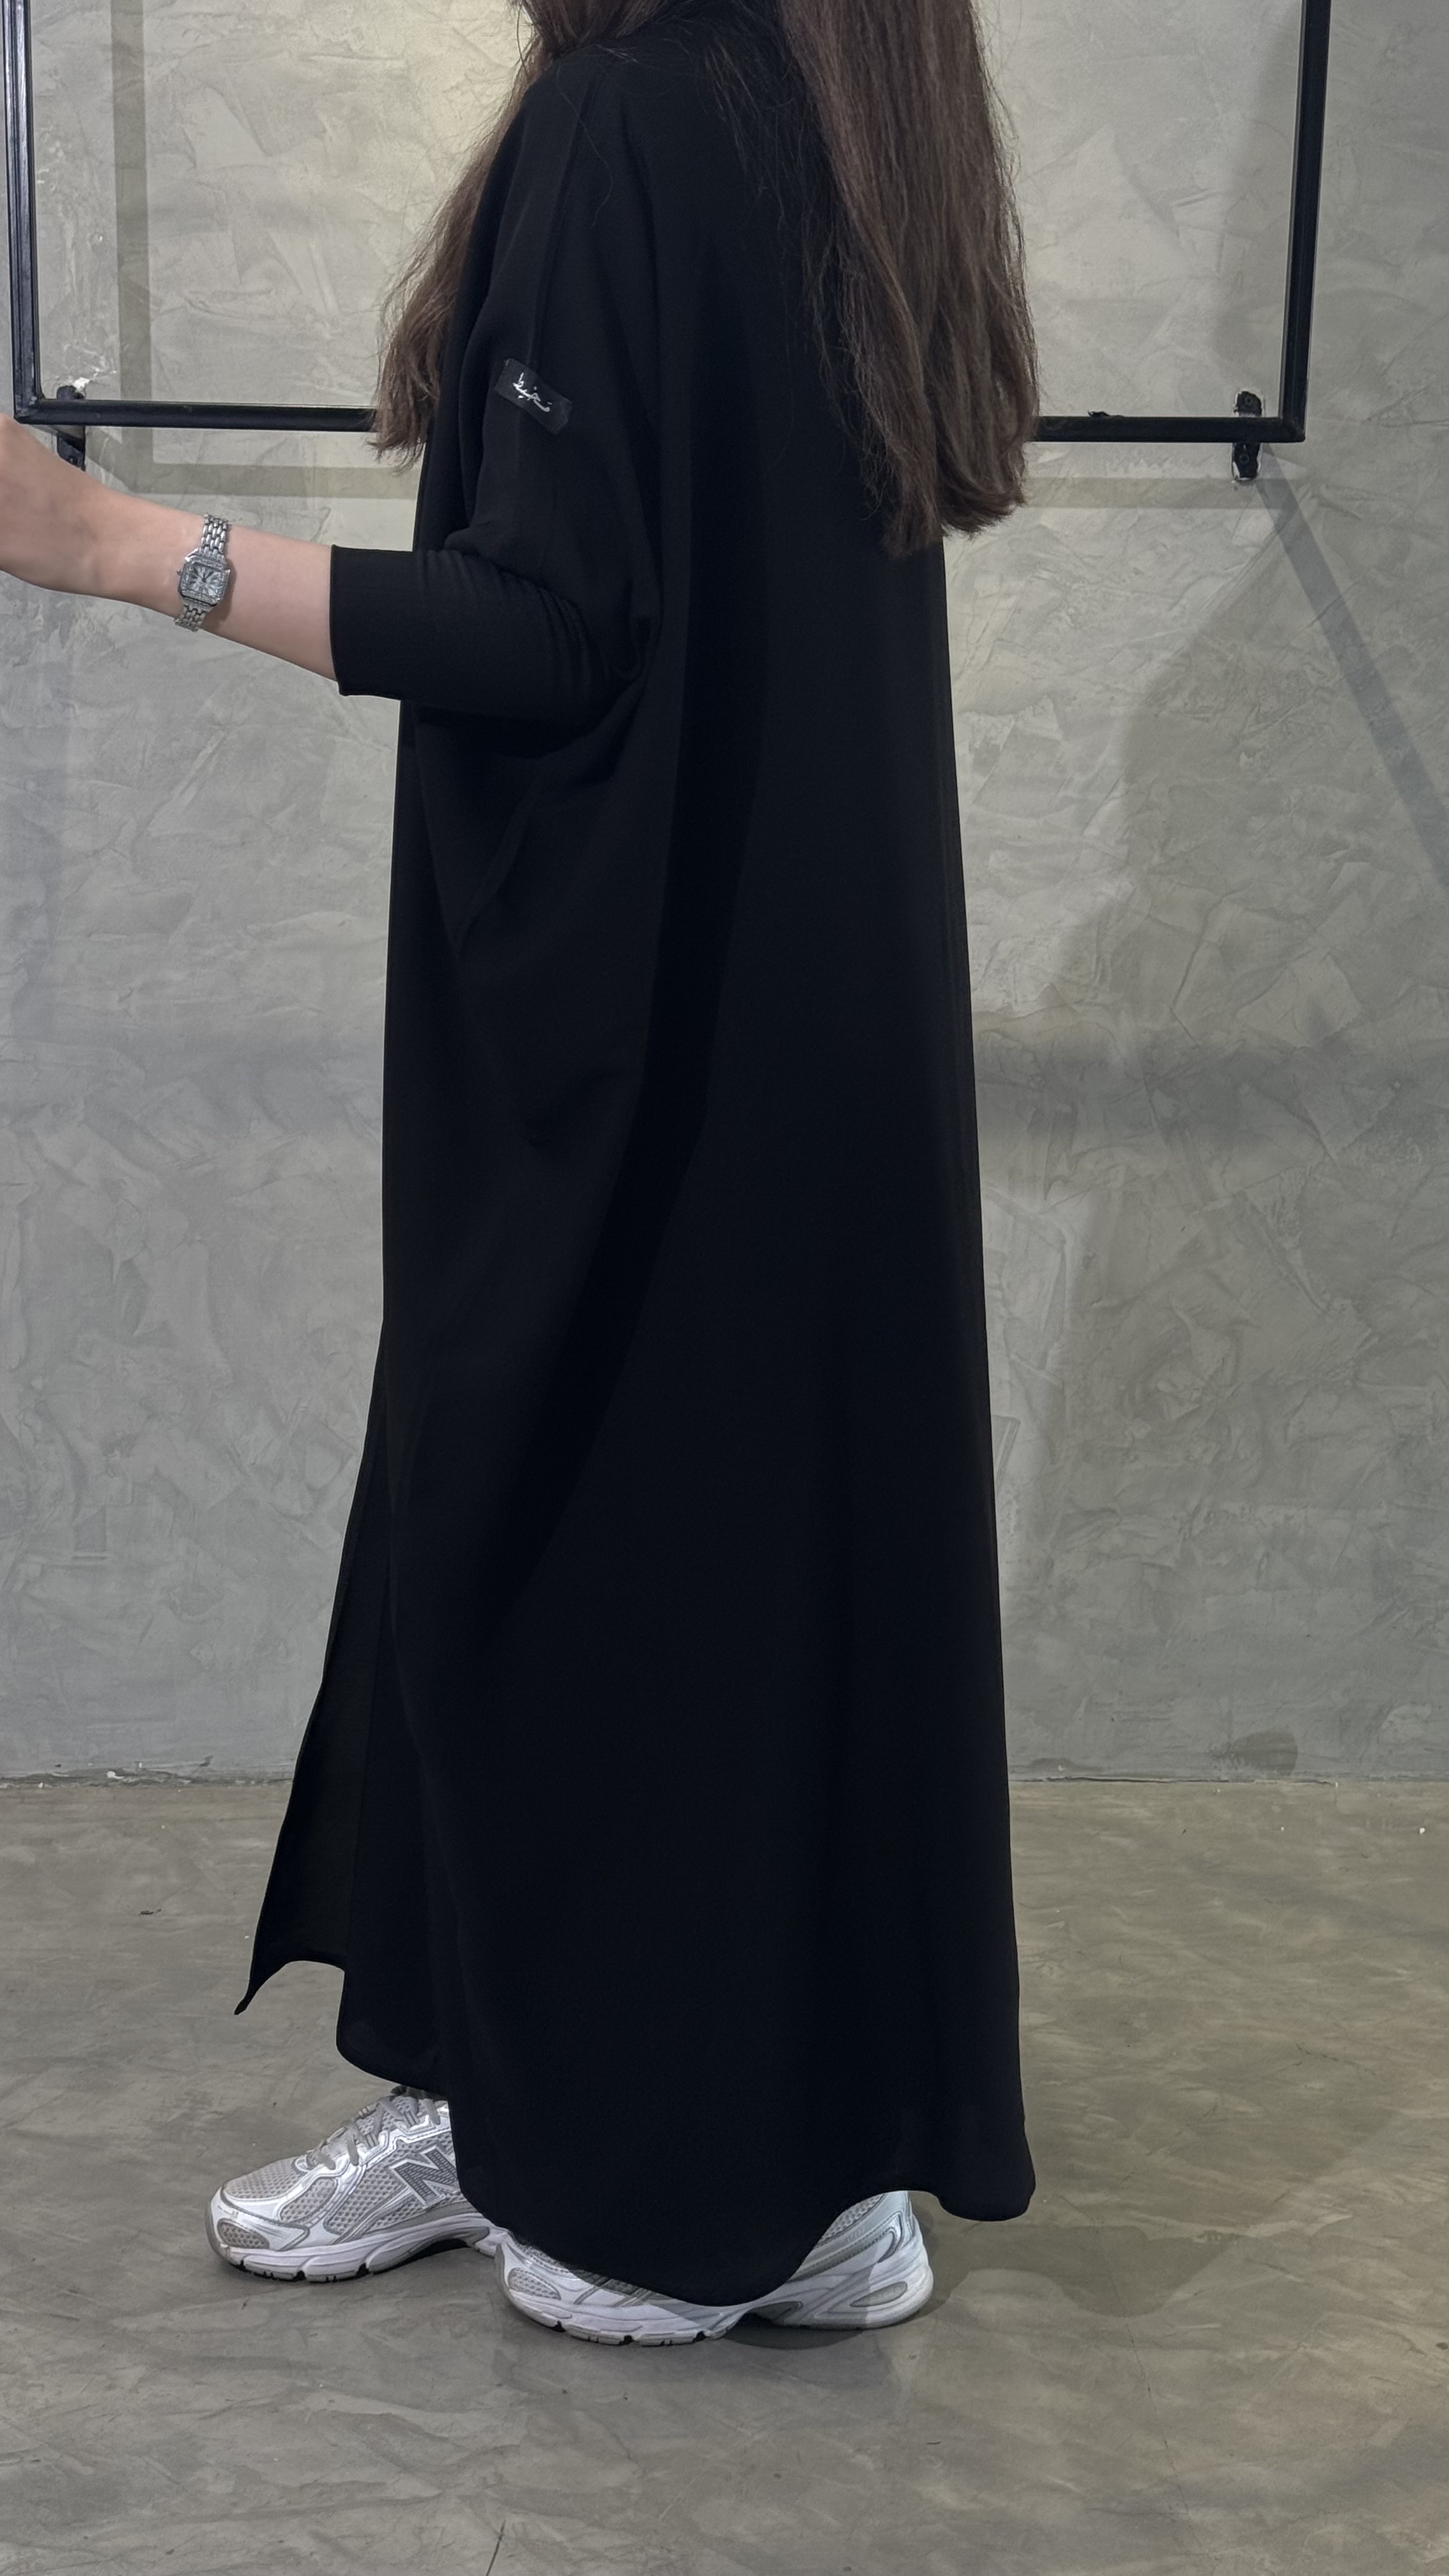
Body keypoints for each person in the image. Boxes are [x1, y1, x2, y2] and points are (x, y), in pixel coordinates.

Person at [0, 0, 1041, 2346]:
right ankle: (729, 2149)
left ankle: (668, 2192)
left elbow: (552, 630)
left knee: (580, 1558)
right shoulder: (854, 116)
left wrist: (110, 545)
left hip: (628, 1025)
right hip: (805, 1015)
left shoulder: (627, 119)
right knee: (733, 1563)